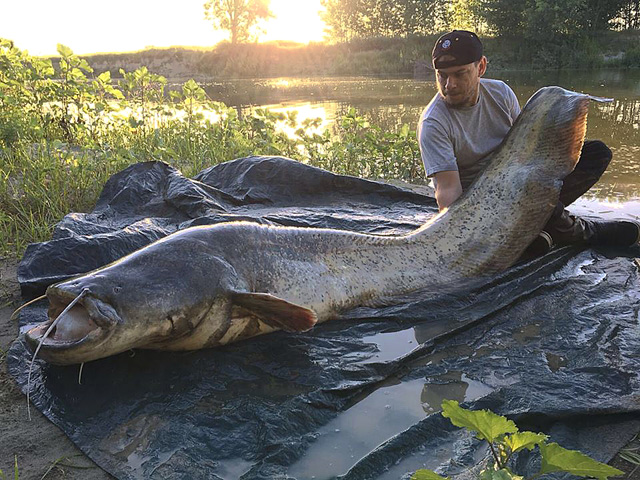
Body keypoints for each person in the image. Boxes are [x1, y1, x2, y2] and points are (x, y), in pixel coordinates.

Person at [417, 30, 640, 256]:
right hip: (480, 207)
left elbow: (528, 148)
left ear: (481, 67)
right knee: (539, 195)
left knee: (596, 153)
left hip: (516, 183)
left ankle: (540, 230)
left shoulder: (501, 93)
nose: (449, 84)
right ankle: (583, 232)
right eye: (442, 75)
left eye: (459, 74)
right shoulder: (434, 123)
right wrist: (463, 237)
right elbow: (448, 192)